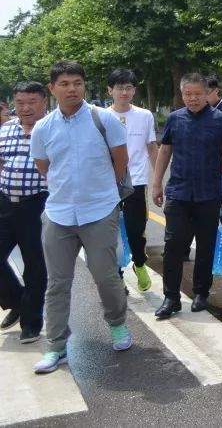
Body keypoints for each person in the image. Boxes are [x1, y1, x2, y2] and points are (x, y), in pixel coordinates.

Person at [29, 61, 133, 374]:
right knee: (57, 283)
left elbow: (120, 163)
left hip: (99, 211)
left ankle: (116, 324)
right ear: (52, 89)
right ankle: (57, 345)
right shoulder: (43, 128)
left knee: (105, 275)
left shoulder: (105, 121)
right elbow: (44, 167)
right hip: (59, 214)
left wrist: (101, 193)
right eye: (64, 84)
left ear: (84, 85)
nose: (72, 89)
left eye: (77, 82)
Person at [152, 73, 222, 319]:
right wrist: (157, 184)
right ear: (182, 95)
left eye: (197, 94)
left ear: (207, 93)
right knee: (173, 244)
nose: (193, 98)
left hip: (208, 193)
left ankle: (202, 292)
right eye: (188, 94)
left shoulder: (220, 120)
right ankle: (171, 297)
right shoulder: (174, 119)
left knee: (205, 245)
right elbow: (164, 151)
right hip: (178, 193)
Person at [0, 81, 49, 344]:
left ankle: (31, 322)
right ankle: (17, 300)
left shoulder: (52, 129)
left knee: (35, 266)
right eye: (20, 103)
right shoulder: (5, 129)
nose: (26, 108)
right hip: (5, 202)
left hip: (38, 205)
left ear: (44, 102)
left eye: (32, 102)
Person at [105, 69, 159, 293]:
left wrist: (158, 179)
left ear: (134, 90)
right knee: (111, 231)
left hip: (136, 182)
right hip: (106, 184)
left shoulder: (145, 115)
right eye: (119, 87)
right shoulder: (100, 116)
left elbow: (151, 147)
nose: (124, 92)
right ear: (110, 91)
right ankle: (117, 276)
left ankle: (139, 263)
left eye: (128, 87)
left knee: (136, 229)